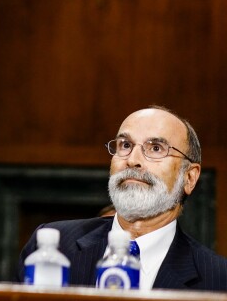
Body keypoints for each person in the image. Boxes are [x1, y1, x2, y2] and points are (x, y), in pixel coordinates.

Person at [18, 106, 227, 291]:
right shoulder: (56, 246)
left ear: (189, 177)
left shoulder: (218, 279)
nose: (133, 160)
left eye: (155, 148)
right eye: (125, 145)